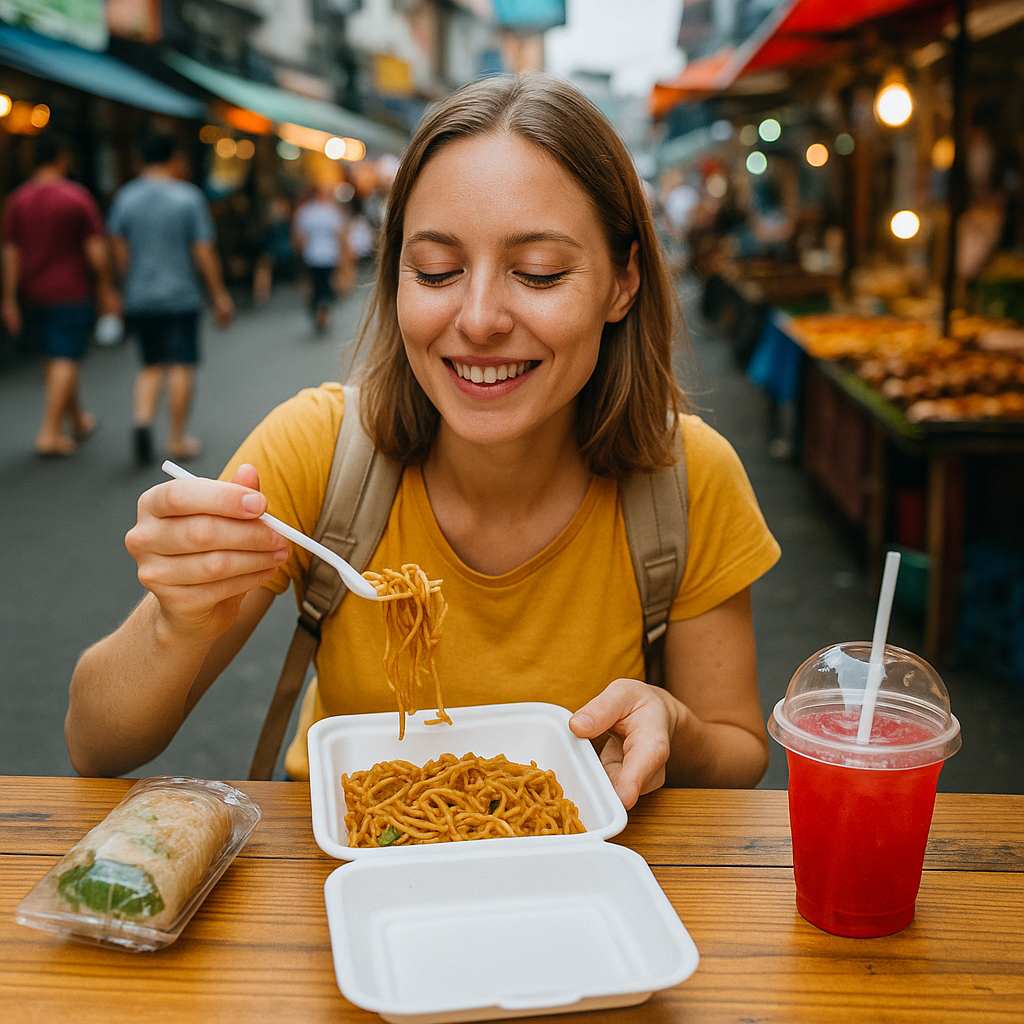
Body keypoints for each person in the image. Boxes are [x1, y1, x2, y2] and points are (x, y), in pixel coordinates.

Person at [66, 75, 781, 809]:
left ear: (622, 282)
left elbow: (736, 748)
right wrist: (175, 621)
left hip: (580, 890)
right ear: (396, 275)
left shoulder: (687, 477)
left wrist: (673, 725)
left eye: (537, 273)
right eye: (437, 270)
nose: (477, 319)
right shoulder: (316, 450)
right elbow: (97, 745)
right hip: (343, 885)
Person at [107, 132, 235, 466]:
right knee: (181, 364)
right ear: (174, 158)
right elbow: (203, 250)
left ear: (141, 158)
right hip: (181, 296)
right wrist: (219, 294)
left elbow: (119, 249)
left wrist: (124, 286)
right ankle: (176, 438)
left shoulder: (126, 198)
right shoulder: (187, 198)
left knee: (150, 364)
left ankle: (142, 420)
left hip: (141, 295)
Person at [1, 131, 118, 456]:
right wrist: (107, 287)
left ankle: (77, 418)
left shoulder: (18, 199)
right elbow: (95, 250)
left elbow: (10, 253)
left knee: (52, 357)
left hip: (33, 291)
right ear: (62, 156)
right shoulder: (76, 197)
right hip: (71, 290)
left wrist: (9, 298)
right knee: (66, 357)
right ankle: (48, 432)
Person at [292, 181, 353, 332]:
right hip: (329, 255)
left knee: (315, 284)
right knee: (326, 284)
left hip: (311, 255)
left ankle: (318, 309)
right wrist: (344, 257)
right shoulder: (332, 212)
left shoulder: (305, 212)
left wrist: (300, 253)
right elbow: (341, 236)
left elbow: (299, 238)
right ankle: (324, 310)